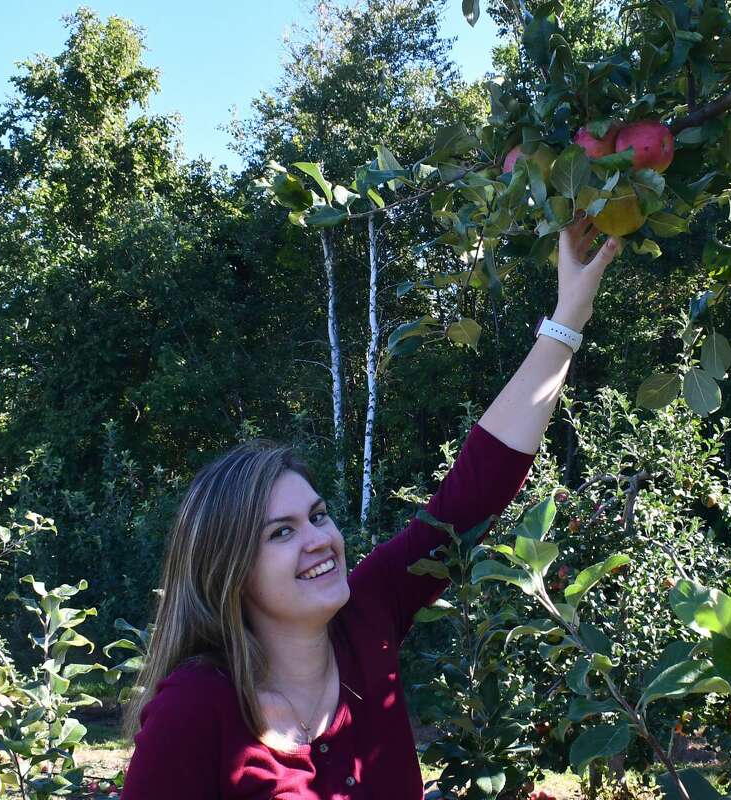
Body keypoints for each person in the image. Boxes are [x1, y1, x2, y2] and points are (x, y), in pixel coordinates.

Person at [120, 217, 621, 798]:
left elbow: (474, 493)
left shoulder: (367, 616)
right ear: (228, 569)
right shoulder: (197, 708)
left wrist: (568, 319)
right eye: (280, 533)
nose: (317, 539)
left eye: (318, 515)